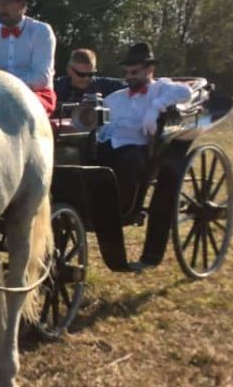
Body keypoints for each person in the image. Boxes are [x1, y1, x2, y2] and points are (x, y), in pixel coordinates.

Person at [96, 42, 192, 270]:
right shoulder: (115, 98)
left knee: (129, 163)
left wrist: (156, 107)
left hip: (136, 147)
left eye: (134, 72)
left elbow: (185, 92)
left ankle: (122, 209)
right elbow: (100, 123)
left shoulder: (160, 88)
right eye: (127, 72)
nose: (129, 77)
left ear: (149, 69)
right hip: (109, 144)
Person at [53, 48, 125, 108]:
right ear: (69, 70)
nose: (86, 78)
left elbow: (132, 86)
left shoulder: (105, 86)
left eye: (91, 74)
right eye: (81, 74)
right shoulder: (55, 87)